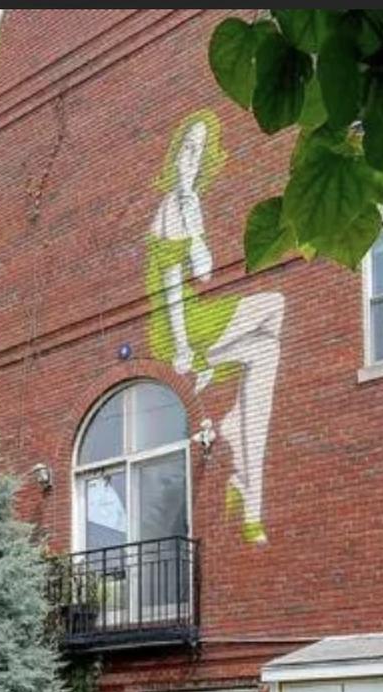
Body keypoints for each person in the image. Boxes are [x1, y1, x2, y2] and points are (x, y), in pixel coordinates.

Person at [146, 113, 285, 543]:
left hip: (201, 319)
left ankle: (251, 494)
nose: (193, 160)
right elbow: (172, 285)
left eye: (200, 153)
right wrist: (185, 350)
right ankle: (211, 372)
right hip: (177, 325)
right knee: (274, 304)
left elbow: (204, 271)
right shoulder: (170, 205)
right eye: (187, 149)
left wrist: (197, 221)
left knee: (266, 351)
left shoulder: (190, 206)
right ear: (174, 156)